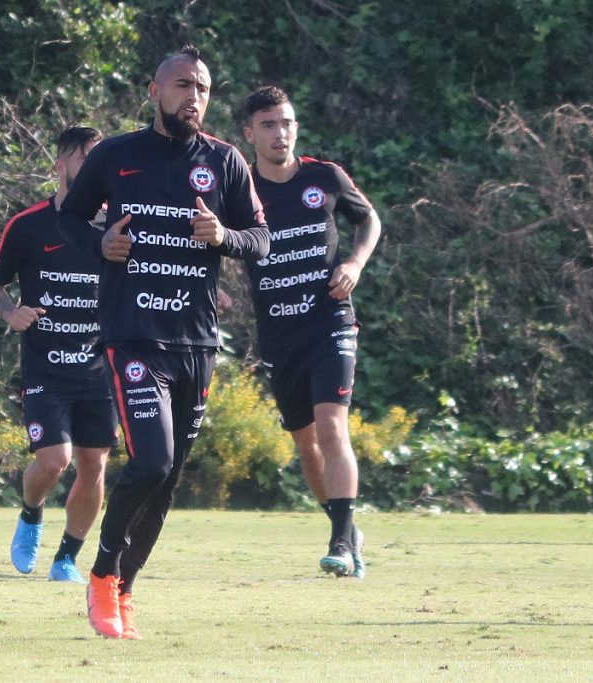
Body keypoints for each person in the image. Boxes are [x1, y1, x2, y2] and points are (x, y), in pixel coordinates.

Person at [58, 45, 269, 639]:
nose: (193, 96)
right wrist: (101, 245)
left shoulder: (225, 162)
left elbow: (261, 240)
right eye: (181, 85)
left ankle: (126, 586)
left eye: (201, 87)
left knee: (169, 476)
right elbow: (71, 220)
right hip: (133, 336)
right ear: (155, 92)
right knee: (149, 460)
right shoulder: (118, 155)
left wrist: (224, 235)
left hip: (195, 340)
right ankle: (101, 575)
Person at [242, 86, 382, 579]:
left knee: (332, 425)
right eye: (268, 125)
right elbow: (215, 240)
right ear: (249, 133)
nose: (281, 133)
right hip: (279, 334)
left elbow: (370, 221)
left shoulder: (324, 177)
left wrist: (355, 263)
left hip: (330, 321)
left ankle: (340, 543)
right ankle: (346, 530)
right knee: (306, 444)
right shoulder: (240, 188)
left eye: (287, 123)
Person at [0, 126, 117, 585]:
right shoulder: (28, 225)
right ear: (61, 166)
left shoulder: (115, 224)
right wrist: (11, 312)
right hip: (46, 366)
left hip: (99, 367)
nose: (93, 170)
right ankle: (31, 514)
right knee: (54, 459)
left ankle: (67, 560)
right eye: (85, 159)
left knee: (95, 464)